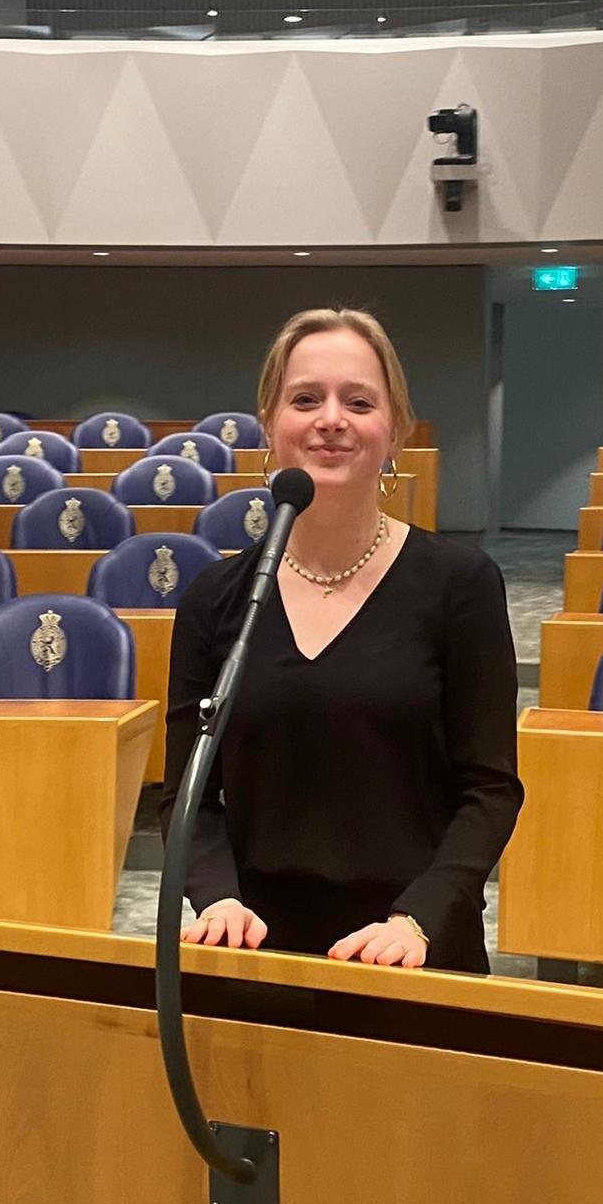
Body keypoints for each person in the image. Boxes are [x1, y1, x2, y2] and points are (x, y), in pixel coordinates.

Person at [157, 307, 523, 972]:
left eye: (358, 401)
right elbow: (186, 790)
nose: (331, 418)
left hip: (415, 948)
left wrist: (419, 917)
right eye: (305, 399)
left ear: (396, 433)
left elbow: (490, 789)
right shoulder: (214, 598)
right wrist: (214, 898)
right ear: (269, 424)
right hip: (255, 945)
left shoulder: (460, 584)